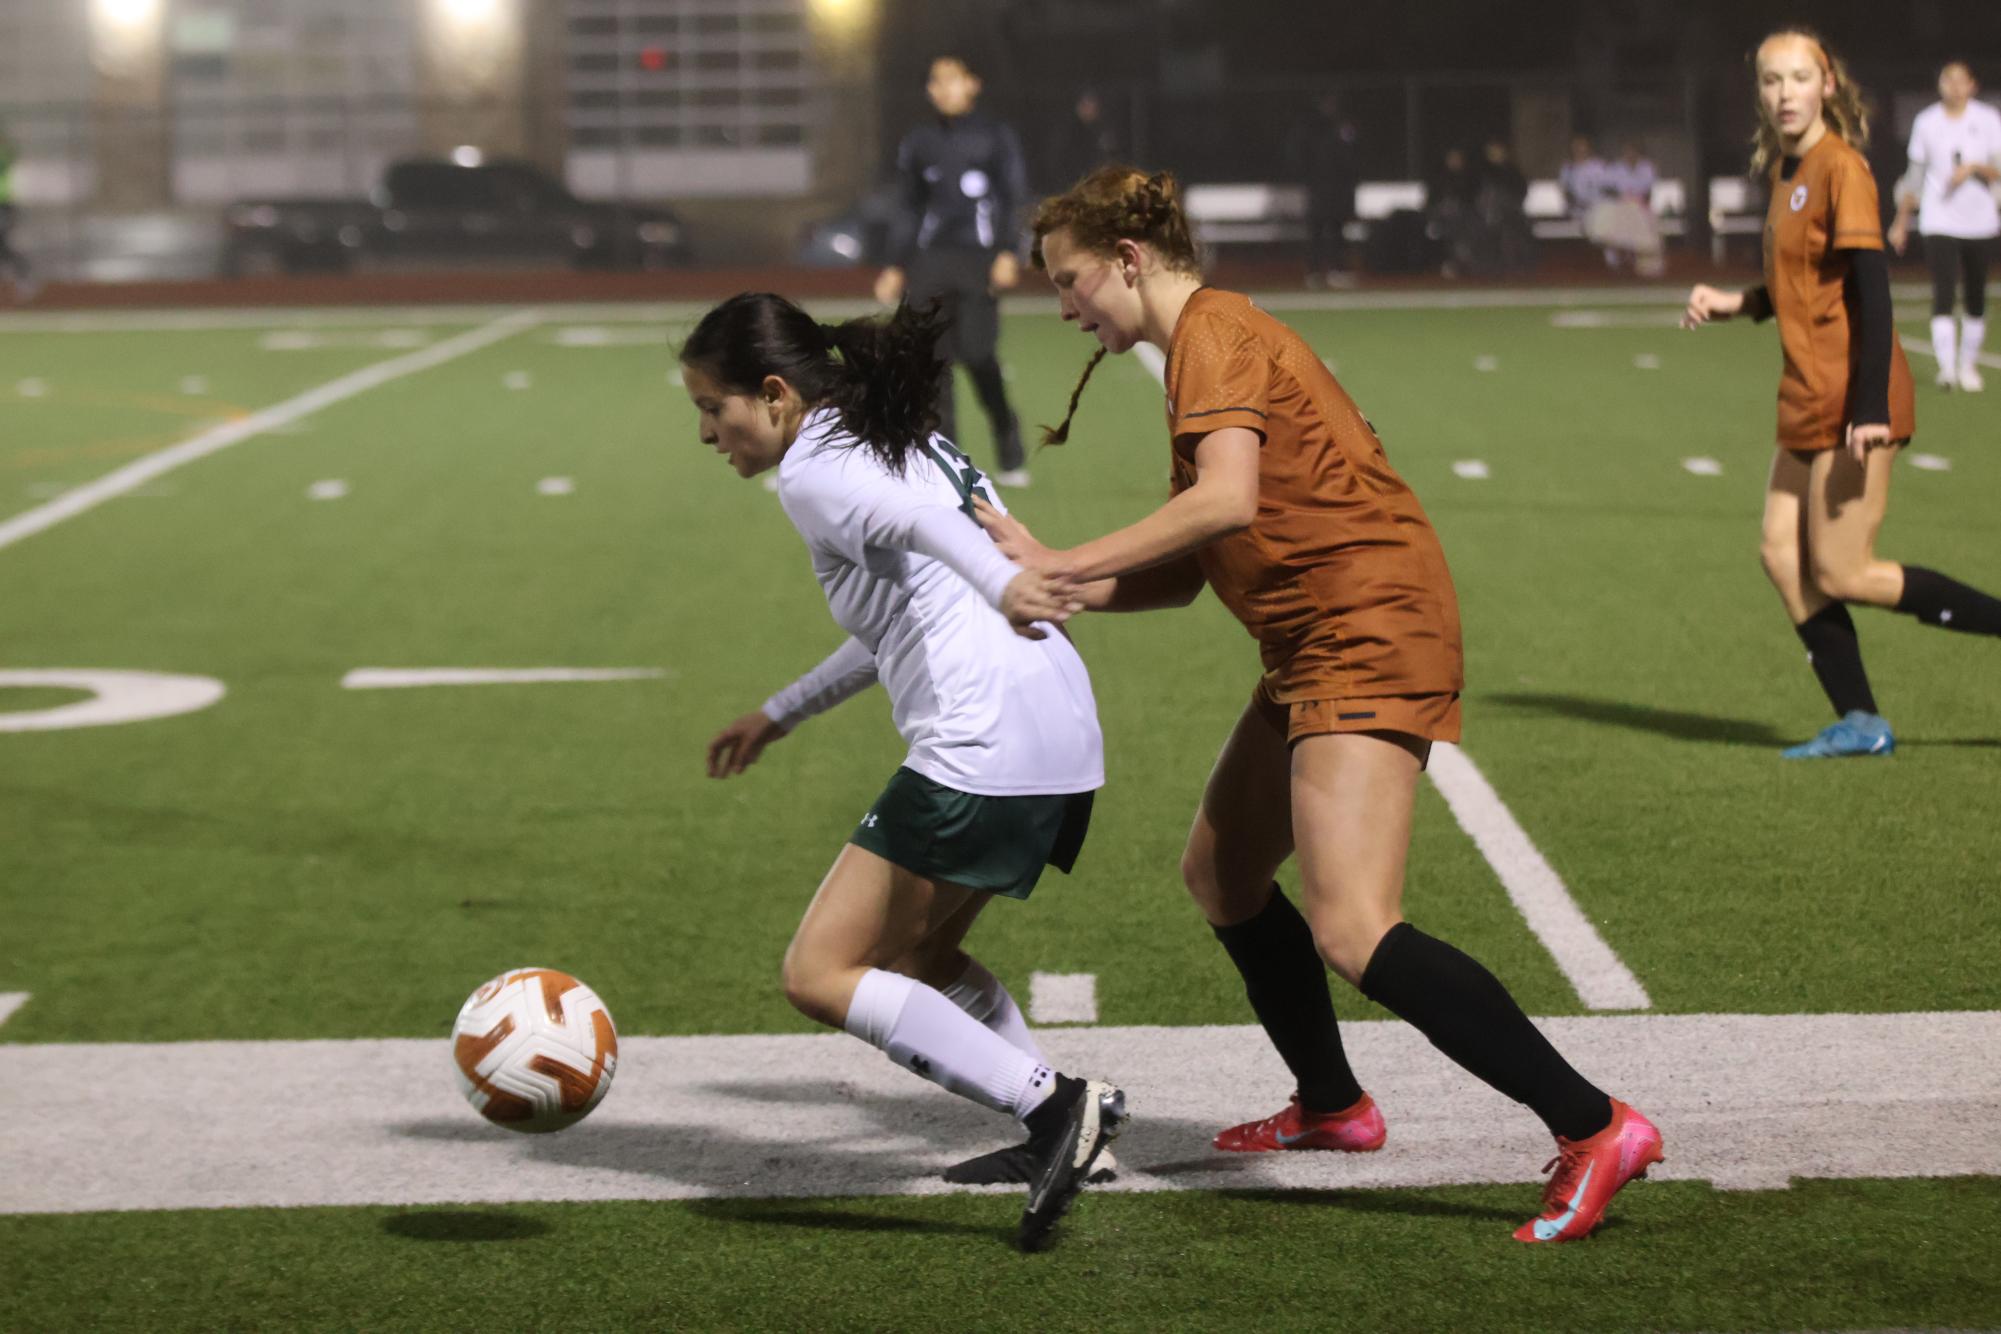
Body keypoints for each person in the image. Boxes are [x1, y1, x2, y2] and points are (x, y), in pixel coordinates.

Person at [978, 164, 1663, 1244]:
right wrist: (1064, 587)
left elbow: (1227, 497)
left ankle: (1597, 1123)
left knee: (1353, 924)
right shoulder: (1198, 347)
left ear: (1128, 260)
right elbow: (1197, 559)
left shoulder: (1213, 332)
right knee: (1221, 869)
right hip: (1312, 638)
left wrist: (1062, 561)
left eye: (1070, 283)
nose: (1064, 308)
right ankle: (1335, 1105)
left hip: (1366, 627)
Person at [686, 292, 1125, 1251]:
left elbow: (934, 539)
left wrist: (1005, 582)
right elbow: (898, 616)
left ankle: (1058, 1110)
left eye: (710, 412)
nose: (707, 435)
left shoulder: (815, 474)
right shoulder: (885, 433)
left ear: (771, 395)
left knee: (818, 972)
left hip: (984, 740)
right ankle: (1060, 1128)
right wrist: (780, 712)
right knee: (921, 961)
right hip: (1058, 726)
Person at [1682, 30, 2001, 759]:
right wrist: (1736, 302)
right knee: (1779, 553)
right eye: (1770, 81)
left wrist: (1867, 408)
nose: (1783, 93)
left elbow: (1871, 288)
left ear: (1827, 84)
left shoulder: (1840, 168)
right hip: (1805, 389)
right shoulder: (1787, 170)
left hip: (1852, 393)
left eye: (1798, 78)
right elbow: (1801, 285)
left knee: (1842, 570)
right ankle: (1860, 721)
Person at [875, 56, 1033, 487]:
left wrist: (1008, 252)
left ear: (972, 84)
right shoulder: (919, 141)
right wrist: (894, 263)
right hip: (931, 263)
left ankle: (1007, 434)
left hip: (980, 260)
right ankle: (950, 464)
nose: (943, 89)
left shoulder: (996, 137)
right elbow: (908, 206)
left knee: (979, 354)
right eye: (935, 82)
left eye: (952, 80)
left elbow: (1013, 197)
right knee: (932, 363)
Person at [1888, 60, 2001, 393]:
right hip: (1939, 219)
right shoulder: (1927, 122)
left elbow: (1998, 168)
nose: (1953, 86)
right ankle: (1947, 369)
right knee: (1943, 290)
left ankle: (1968, 366)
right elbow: (1915, 176)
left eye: (1960, 80)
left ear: (1972, 85)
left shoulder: (1989, 119)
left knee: (1976, 295)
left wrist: (1974, 168)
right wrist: (1901, 221)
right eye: (1947, 80)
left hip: (1980, 220)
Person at [1288, 94, 1361, 287]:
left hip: (1338, 188)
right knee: (1317, 230)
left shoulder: (1343, 127)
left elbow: (1352, 158)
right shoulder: (1310, 128)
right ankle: (1314, 272)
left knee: (1337, 230)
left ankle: (1337, 270)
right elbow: (1299, 157)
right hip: (1318, 187)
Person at [1048, 88, 1124, 195]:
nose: (1092, 109)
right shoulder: (1069, 131)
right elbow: (1062, 161)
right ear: (1079, 106)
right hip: (1075, 185)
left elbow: (1110, 154)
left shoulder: (1100, 129)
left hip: (1097, 184)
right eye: (1087, 104)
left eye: (1093, 105)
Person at [0, 123, 34, 302]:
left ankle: (24, 275)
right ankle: (23, 275)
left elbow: (8, 157)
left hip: (3, 205)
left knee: (3, 242)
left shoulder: (3, 156)